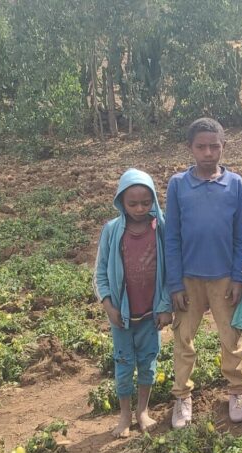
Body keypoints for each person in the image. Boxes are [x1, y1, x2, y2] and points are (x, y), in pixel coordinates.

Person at [165, 118, 242, 428]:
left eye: (214, 146)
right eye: (201, 146)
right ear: (190, 148)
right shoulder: (178, 185)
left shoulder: (235, 184)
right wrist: (175, 283)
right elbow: (171, 237)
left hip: (224, 278)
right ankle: (182, 397)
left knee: (231, 336)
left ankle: (237, 391)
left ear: (223, 147)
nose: (207, 153)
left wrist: (238, 276)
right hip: (188, 279)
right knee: (183, 338)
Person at [94, 168, 173, 437]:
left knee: (148, 363)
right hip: (122, 317)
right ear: (121, 202)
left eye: (146, 202)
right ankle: (125, 415)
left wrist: (165, 306)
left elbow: (170, 271)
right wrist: (109, 306)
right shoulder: (112, 231)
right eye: (133, 203)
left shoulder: (160, 229)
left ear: (154, 200)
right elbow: (100, 273)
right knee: (124, 364)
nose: (140, 208)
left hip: (151, 315)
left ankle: (143, 411)